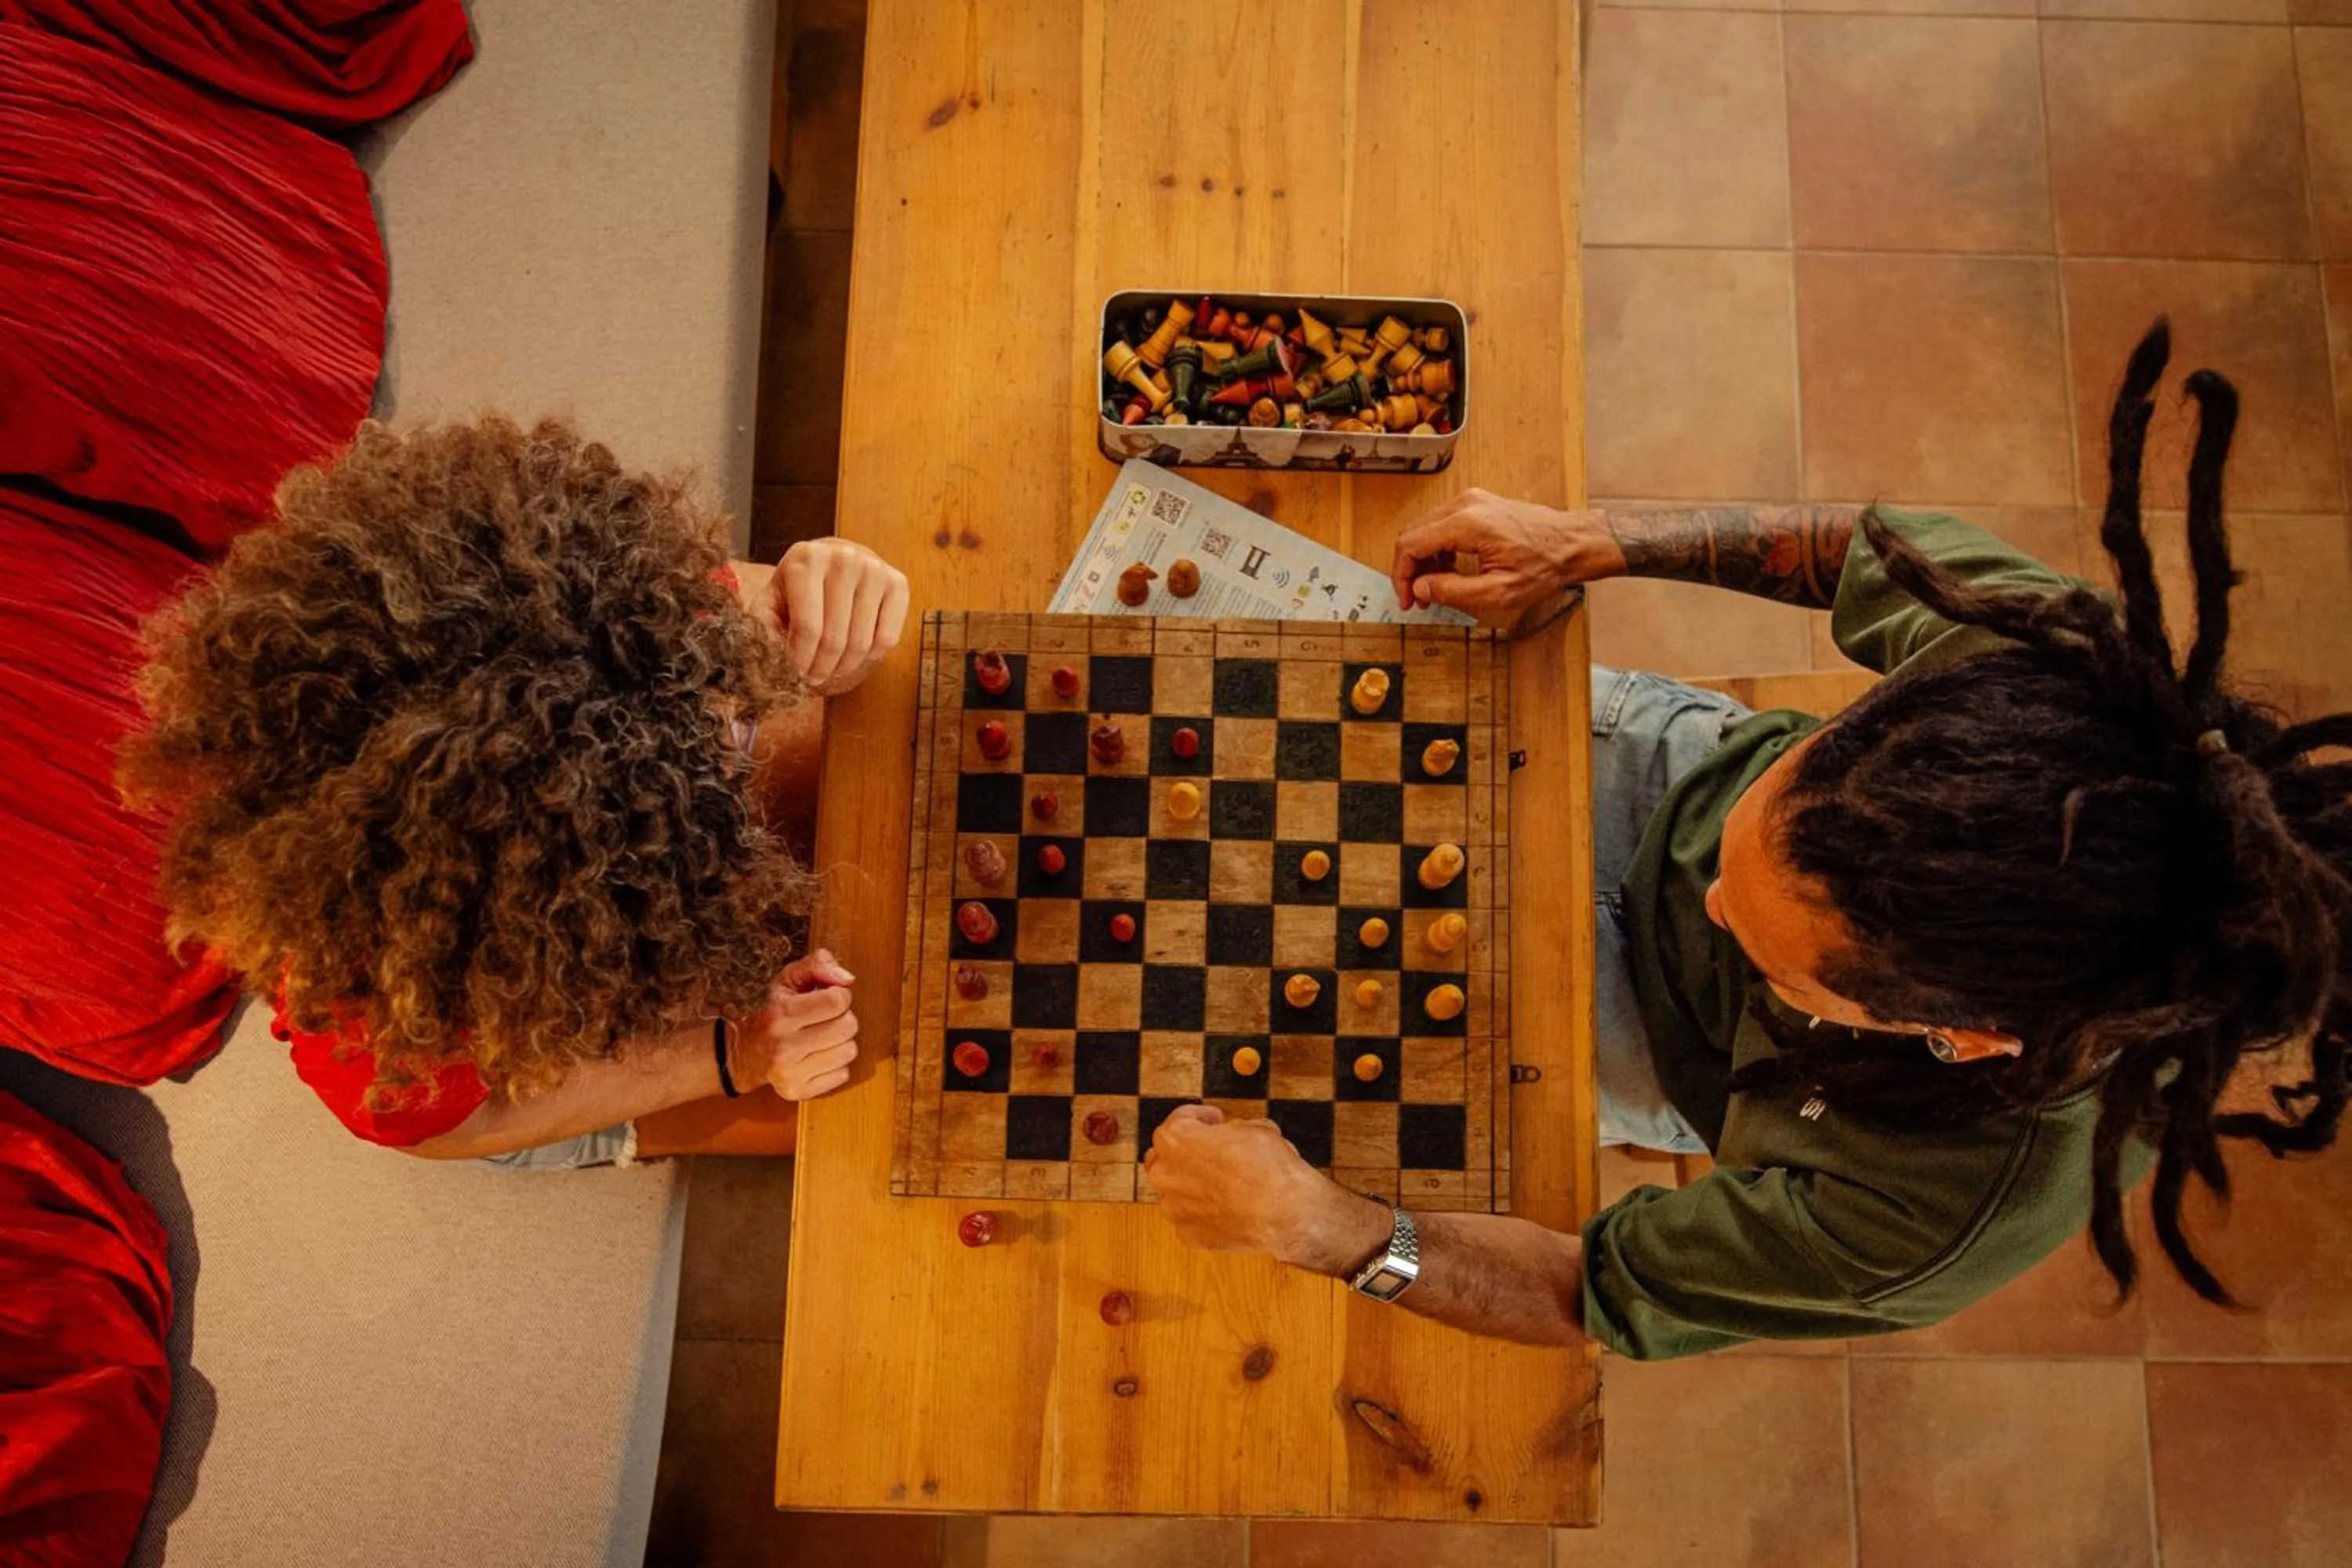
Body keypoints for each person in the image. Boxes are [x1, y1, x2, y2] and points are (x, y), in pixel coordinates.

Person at [1142, 322, 2350, 1356]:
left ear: (1962, 1036)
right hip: (1656, 758)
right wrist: (1594, 542)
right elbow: (1863, 547)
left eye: (1774, 945)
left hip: (1665, 1049)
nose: (1711, 897)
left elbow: (1590, 1291)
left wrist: (1327, 1233)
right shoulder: (2049, 685)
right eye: (1781, 797)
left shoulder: (1947, 1218)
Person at [122, 416, 909, 1167]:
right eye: (717, 741)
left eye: (721, 721)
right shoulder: (390, 1023)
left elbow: (748, 626)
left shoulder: (596, 599)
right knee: (886, 1092)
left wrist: (824, 593)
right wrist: (736, 1049)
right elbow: (448, 1123)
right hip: (542, 1060)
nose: (737, 739)